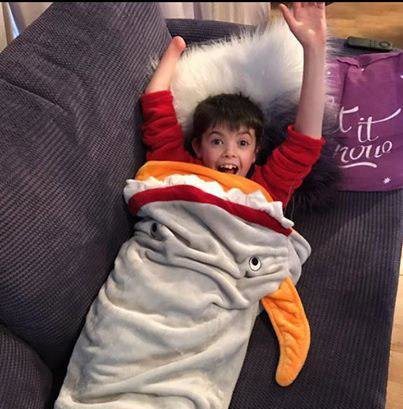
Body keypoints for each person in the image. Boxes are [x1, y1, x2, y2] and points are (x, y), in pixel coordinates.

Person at [140, 2, 327, 207]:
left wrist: (314, 48)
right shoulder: (178, 167)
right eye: (217, 141)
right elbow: (156, 105)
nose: (230, 152)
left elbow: (304, 145)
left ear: (256, 153)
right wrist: (175, 50)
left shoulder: (264, 189)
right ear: (197, 147)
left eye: (243, 143)